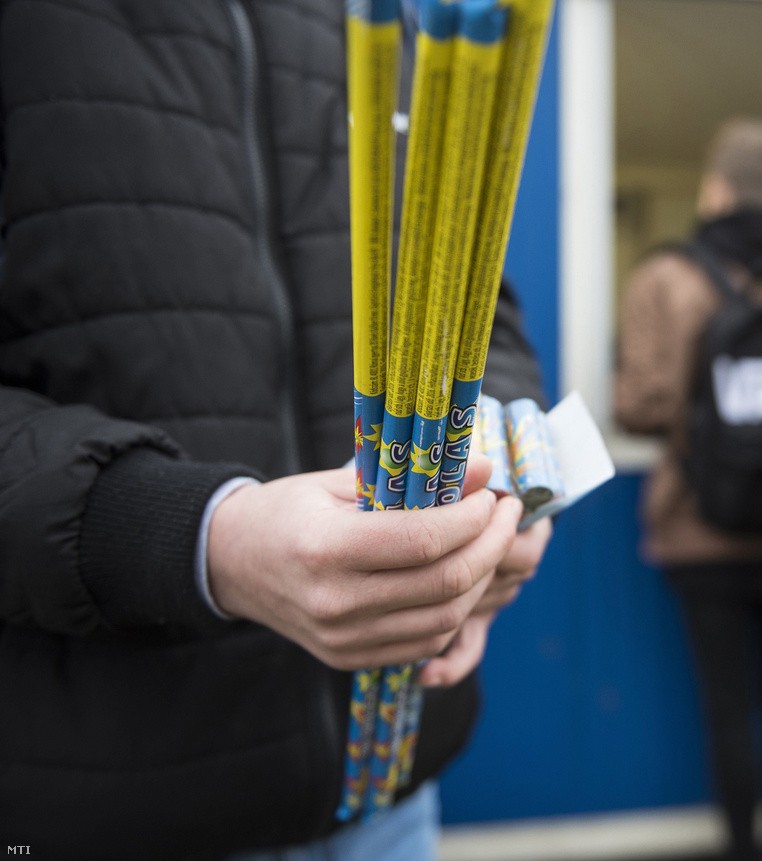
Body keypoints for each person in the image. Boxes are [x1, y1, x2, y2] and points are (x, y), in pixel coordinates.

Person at [0, 2, 550, 858]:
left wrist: (493, 481)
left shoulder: (397, 23)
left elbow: (484, 317)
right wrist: (201, 536)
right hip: (112, 804)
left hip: (395, 787)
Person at [614, 117, 762, 861]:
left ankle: (744, 848)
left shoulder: (666, 278)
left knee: (728, 707)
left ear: (714, 188)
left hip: (698, 524)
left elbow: (637, 406)